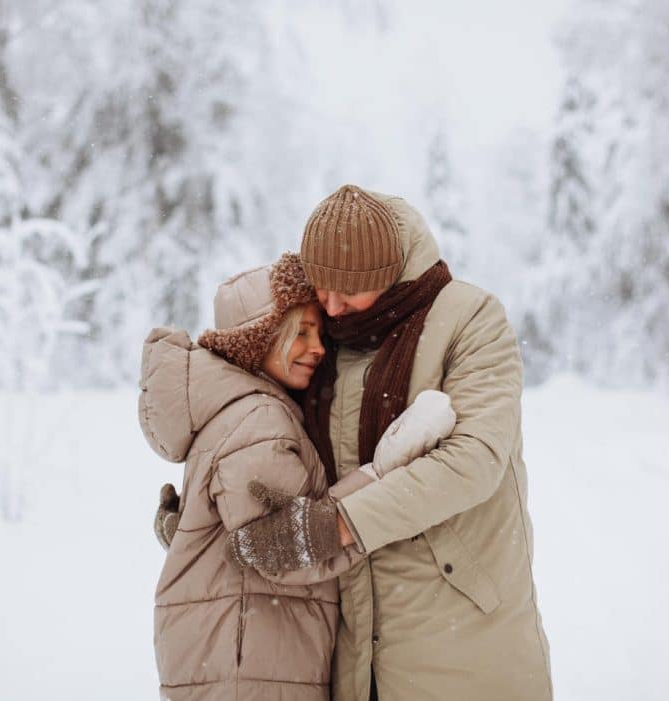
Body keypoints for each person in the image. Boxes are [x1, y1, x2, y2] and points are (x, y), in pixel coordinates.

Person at [227, 185, 553, 700]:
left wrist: (335, 525)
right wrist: (206, 523)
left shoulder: (471, 319)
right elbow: (267, 441)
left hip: (461, 632)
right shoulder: (325, 338)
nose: (331, 308)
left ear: (384, 275)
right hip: (352, 642)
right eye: (321, 289)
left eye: (347, 290)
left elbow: (473, 461)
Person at [139, 252, 455, 700]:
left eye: (319, 333)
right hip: (251, 660)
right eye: (300, 332)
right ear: (258, 339)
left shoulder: (233, 408)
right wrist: (387, 468)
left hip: (232, 649)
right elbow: (284, 547)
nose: (319, 348)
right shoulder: (259, 418)